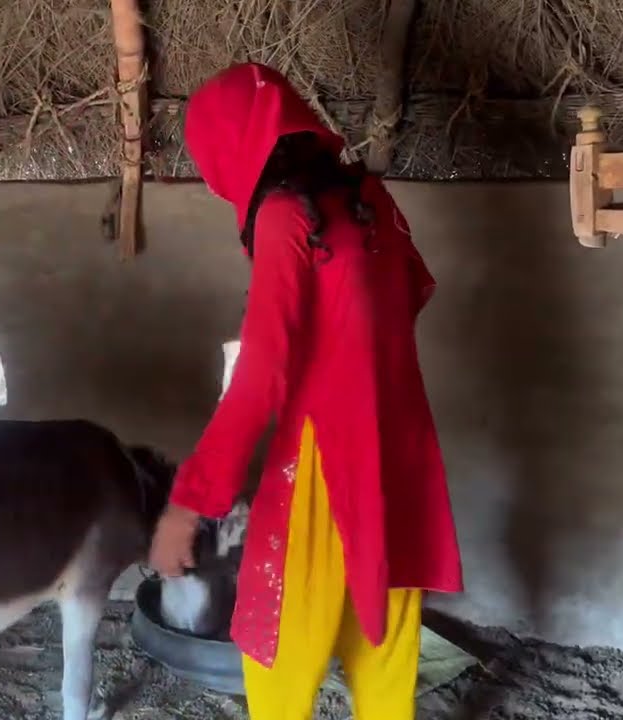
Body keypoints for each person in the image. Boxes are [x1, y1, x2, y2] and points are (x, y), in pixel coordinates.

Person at [148, 62, 464, 720]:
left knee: (280, 651)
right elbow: (413, 292)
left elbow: (262, 377)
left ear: (230, 153)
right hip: (398, 445)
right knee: (384, 642)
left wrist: (189, 504)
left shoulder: (283, 219)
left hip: (324, 463)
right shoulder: (369, 200)